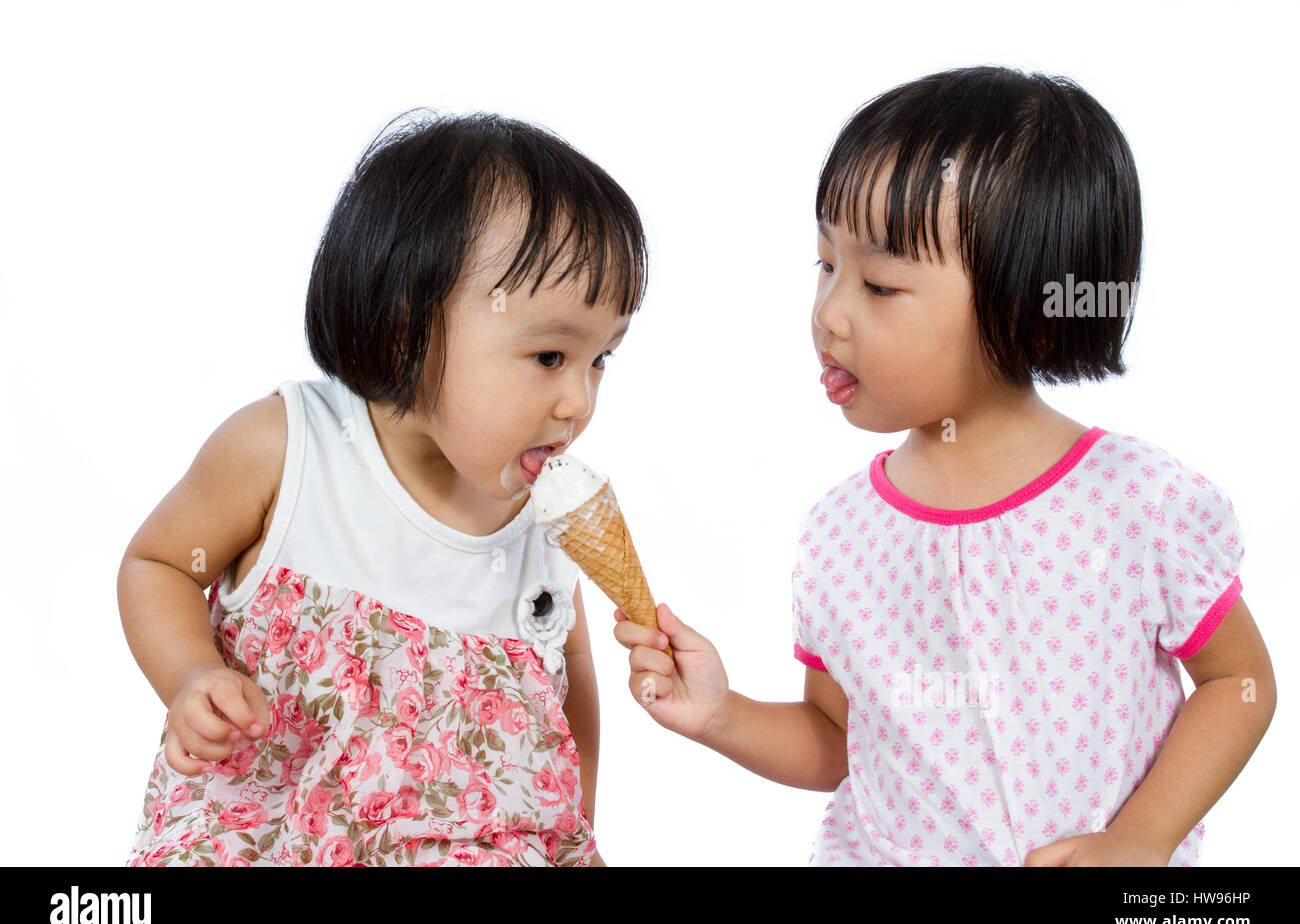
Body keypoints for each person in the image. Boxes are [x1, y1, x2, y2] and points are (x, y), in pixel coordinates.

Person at [616, 66, 1276, 866]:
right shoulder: (840, 534)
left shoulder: (1138, 504)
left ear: (1033, 313)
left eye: (882, 284)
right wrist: (723, 714)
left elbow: (1237, 685)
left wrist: (1140, 837)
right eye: (825, 265)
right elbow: (837, 741)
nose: (830, 314)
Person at [119, 109, 648, 866]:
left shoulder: (546, 521)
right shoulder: (286, 448)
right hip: (271, 835)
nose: (579, 402)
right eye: (549, 356)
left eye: (602, 359)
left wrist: (574, 835)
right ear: (408, 328)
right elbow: (162, 565)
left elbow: (568, 691)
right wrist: (190, 674)